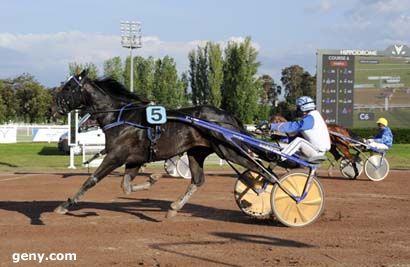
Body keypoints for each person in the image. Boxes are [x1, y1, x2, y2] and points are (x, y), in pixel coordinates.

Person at [268, 96, 331, 160]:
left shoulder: (311, 118)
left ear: (303, 107)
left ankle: (281, 157)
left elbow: (292, 126)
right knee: (277, 145)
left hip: (316, 153)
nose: (297, 110)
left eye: (298, 108)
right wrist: (281, 138)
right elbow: (296, 137)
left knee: (299, 141)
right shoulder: (313, 116)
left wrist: (271, 126)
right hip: (313, 150)